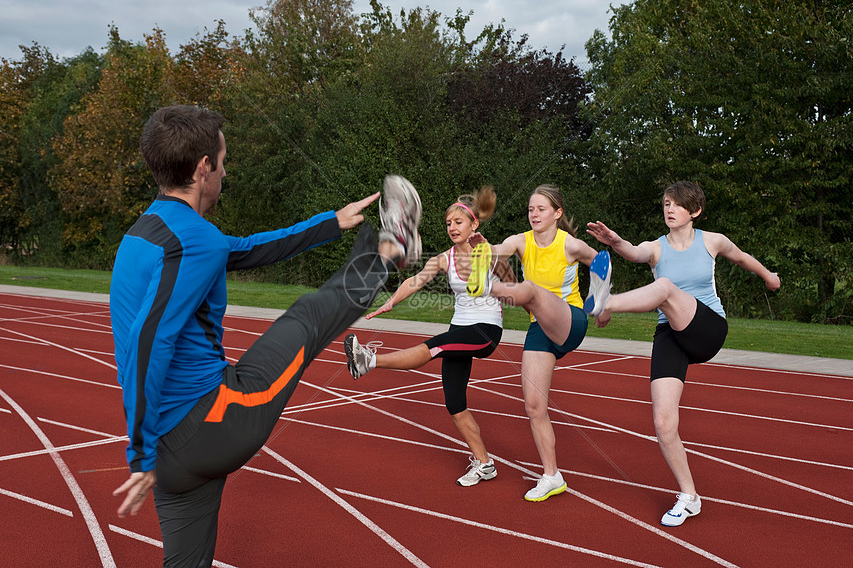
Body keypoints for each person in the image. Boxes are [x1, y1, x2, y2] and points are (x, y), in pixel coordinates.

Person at [109, 104, 422, 567]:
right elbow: (147, 341)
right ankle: (390, 252)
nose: (225, 171)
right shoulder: (192, 242)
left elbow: (245, 250)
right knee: (307, 318)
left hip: (172, 459)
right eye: (223, 160)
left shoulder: (144, 233)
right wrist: (138, 453)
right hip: (212, 424)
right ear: (202, 169)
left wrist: (328, 224)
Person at [584, 180, 780, 527]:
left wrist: (769, 276)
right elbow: (633, 251)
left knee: (664, 288)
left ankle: (605, 302)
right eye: (665, 204)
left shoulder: (711, 241)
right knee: (663, 423)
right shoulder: (656, 248)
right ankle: (689, 496)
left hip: (708, 328)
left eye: (676, 204)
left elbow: (742, 258)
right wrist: (615, 242)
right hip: (671, 333)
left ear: (695, 211)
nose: (669, 209)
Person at [344, 186, 515, 487]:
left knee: (435, 346)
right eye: (448, 223)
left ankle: (369, 360)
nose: (451, 228)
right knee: (454, 403)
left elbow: (513, 285)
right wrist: (391, 302)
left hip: (485, 331)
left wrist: (492, 254)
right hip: (459, 329)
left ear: (474, 224)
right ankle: (485, 463)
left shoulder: (489, 251)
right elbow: (415, 280)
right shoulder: (444, 259)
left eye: (458, 222)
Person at [466, 184, 598, 502]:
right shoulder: (521, 241)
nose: (534, 214)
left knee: (531, 289)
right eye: (530, 209)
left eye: (540, 208)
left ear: (557, 213)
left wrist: (599, 301)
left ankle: (489, 288)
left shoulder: (571, 245)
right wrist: (486, 250)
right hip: (540, 328)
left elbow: (601, 262)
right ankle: (552, 476)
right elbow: (501, 248)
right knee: (534, 407)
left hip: (571, 320)